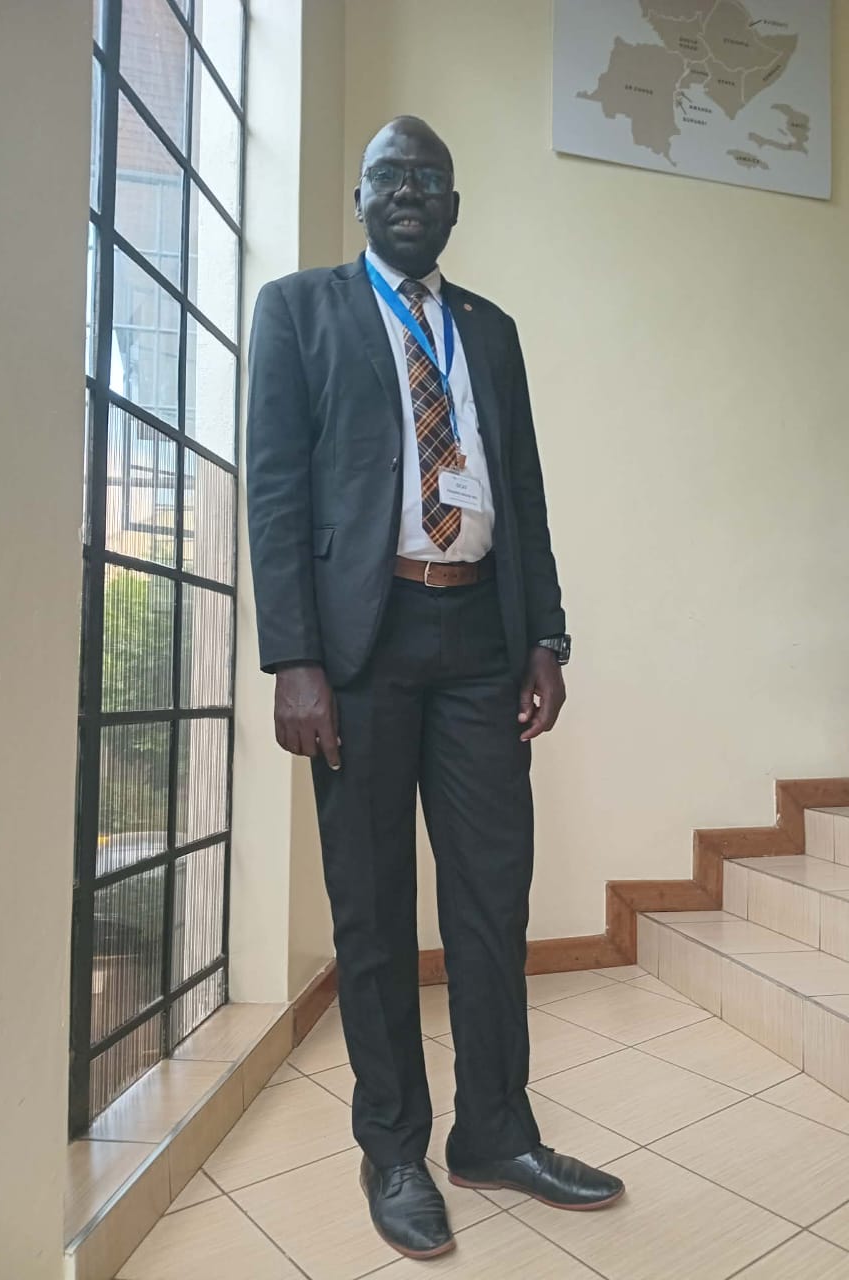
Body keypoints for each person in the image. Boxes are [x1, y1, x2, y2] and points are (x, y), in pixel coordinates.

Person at [246, 115, 625, 1261]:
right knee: (371, 907)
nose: (410, 191)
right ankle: (395, 1147)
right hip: (358, 647)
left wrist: (546, 635)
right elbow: (276, 489)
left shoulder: (490, 329)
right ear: (360, 198)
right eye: (389, 176)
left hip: (481, 639)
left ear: (454, 205)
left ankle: (495, 1130)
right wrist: (294, 658)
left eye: (430, 178)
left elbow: (526, 489)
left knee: (491, 899)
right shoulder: (297, 310)